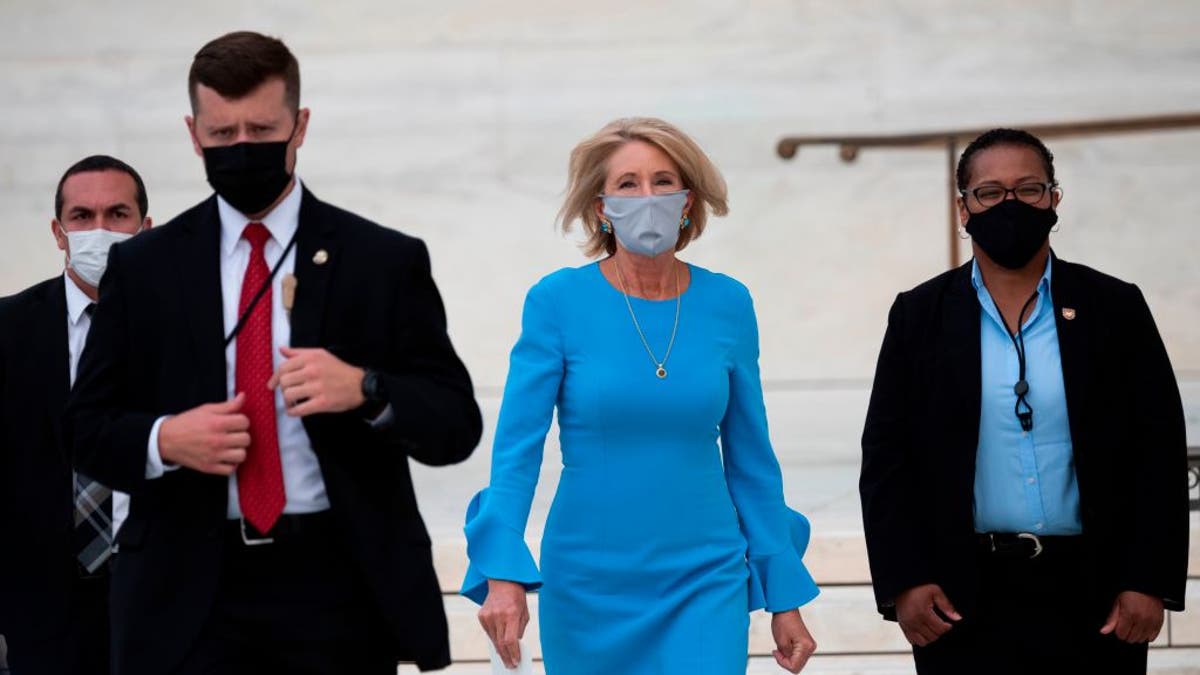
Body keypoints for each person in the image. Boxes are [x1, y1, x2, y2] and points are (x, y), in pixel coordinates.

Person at [65, 31, 482, 674]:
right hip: (185, 591)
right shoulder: (145, 267)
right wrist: (164, 439)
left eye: (261, 130)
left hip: (335, 583)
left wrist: (368, 389)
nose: (241, 149)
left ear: (300, 124)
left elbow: (455, 424)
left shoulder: (381, 260)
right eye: (222, 133)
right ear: (192, 132)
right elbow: (83, 428)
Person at [462, 117, 820, 674]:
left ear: (687, 200)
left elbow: (752, 461)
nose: (647, 196)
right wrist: (502, 574)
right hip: (587, 581)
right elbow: (516, 453)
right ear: (601, 206)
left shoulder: (728, 303)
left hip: (706, 575)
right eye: (628, 184)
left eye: (663, 180)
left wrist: (783, 596)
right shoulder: (557, 302)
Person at [859, 128, 1189, 674]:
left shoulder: (1115, 307)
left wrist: (1148, 582)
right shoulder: (919, 315)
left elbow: (1157, 451)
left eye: (1029, 189)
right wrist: (906, 582)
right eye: (989, 193)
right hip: (960, 599)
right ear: (963, 208)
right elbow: (888, 459)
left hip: (1096, 596)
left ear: (1054, 199)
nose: (1010, 204)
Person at [0, 155, 151, 674]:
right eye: (83, 217)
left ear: (145, 229)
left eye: (118, 214)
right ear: (58, 232)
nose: (100, 230)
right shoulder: (8, 329)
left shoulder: (183, 328)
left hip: (154, 597)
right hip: (38, 607)